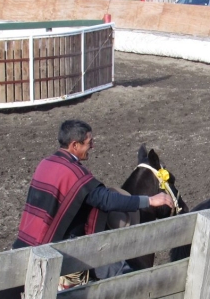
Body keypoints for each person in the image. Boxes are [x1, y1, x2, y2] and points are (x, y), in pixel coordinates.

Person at [13, 120, 174, 282]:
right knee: (125, 276)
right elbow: (106, 200)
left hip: (26, 242)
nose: (93, 146)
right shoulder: (74, 174)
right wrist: (149, 200)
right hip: (57, 248)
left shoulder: (45, 163)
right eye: (89, 143)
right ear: (75, 145)